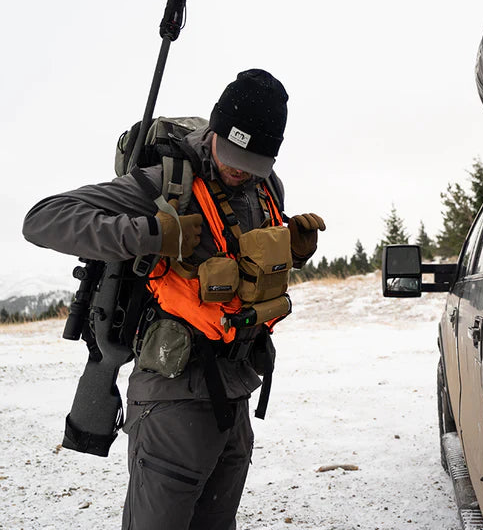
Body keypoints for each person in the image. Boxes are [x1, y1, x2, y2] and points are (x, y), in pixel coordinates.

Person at [22, 69, 326, 530]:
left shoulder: (267, 187)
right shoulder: (165, 182)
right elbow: (43, 220)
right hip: (172, 398)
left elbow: (240, 264)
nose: (239, 168)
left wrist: (292, 250)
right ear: (215, 130)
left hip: (237, 388)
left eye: (253, 160)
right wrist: (149, 235)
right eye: (232, 153)